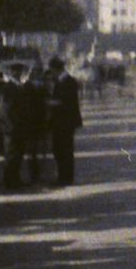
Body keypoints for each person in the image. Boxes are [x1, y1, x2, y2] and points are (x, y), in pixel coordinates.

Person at [46, 58, 83, 186]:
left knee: (64, 150)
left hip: (65, 122)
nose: (51, 73)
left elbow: (64, 102)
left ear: (57, 69)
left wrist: (48, 103)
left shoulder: (68, 82)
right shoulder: (63, 81)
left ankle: (65, 177)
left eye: (52, 71)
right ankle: (64, 176)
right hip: (62, 122)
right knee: (60, 149)